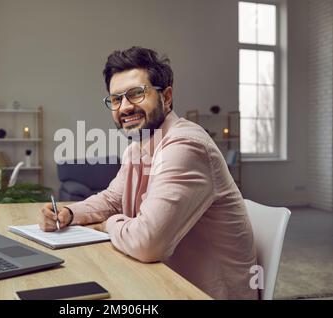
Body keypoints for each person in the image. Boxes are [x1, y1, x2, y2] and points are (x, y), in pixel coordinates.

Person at [40, 46, 259, 300]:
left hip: (204, 293)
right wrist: (68, 214)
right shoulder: (139, 146)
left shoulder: (186, 145)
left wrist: (106, 224)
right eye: (116, 99)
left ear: (166, 98)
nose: (124, 107)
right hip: (164, 281)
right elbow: (112, 198)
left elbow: (147, 244)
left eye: (136, 94)